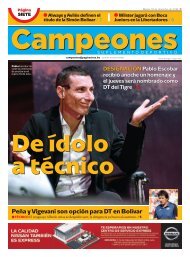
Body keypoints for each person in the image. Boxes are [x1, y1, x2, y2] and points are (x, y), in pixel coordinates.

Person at [11, 65, 168, 200]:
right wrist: (17, 152)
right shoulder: (39, 122)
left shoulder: (103, 120)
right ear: (61, 92)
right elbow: (17, 148)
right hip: (53, 200)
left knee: (110, 198)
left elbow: (128, 165)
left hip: (90, 199)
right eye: (81, 90)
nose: (90, 97)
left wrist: (135, 123)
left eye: (91, 90)